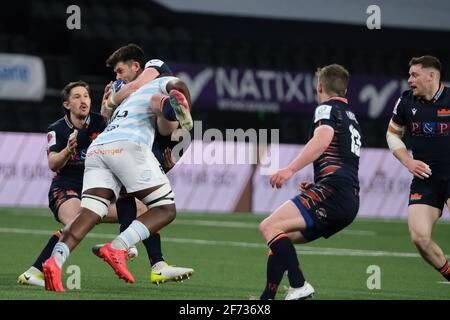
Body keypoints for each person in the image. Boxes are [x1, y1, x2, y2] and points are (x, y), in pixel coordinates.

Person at [42, 49, 192, 291]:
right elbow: (163, 105)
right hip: (128, 146)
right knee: (165, 209)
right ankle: (119, 246)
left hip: (99, 148)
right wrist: (178, 101)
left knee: (89, 213)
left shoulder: (129, 96)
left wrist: (114, 100)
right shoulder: (159, 82)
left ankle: (55, 261)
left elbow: (163, 128)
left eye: (120, 71)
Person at [258, 64, 362, 300]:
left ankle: (299, 285)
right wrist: (317, 183)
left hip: (333, 191)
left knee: (269, 227)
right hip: (347, 199)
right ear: (345, 89)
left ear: (320, 87)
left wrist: (290, 169)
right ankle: (267, 299)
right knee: (282, 239)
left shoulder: (326, 108)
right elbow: (343, 159)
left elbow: (323, 138)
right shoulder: (352, 119)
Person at [386, 55, 450, 282]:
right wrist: (408, 162)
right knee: (419, 237)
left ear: (431, 75)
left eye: (415, 75)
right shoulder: (405, 102)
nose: (409, 80)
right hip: (426, 179)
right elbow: (392, 135)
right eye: (409, 75)